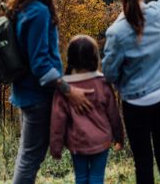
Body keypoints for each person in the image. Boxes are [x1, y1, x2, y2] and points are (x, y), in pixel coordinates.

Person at [7, 0, 93, 184]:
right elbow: (40, 64)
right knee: (30, 158)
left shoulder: (20, 7)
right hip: (37, 96)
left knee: (28, 156)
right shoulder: (38, 12)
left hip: (26, 91)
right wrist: (69, 90)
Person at [102, 0, 160, 184]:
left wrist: (120, 84)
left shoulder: (116, 33)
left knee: (143, 161)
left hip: (136, 103)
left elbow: (109, 72)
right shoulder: (158, 14)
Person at [50, 35, 124, 184]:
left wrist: (56, 146)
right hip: (101, 140)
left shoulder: (64, 89)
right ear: (94, 57)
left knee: (81, 177)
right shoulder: (102, 83)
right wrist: (119, 137)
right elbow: (114, 114)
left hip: (77, 142)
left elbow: (58, 120)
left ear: (70, 58)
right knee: (97, 177)